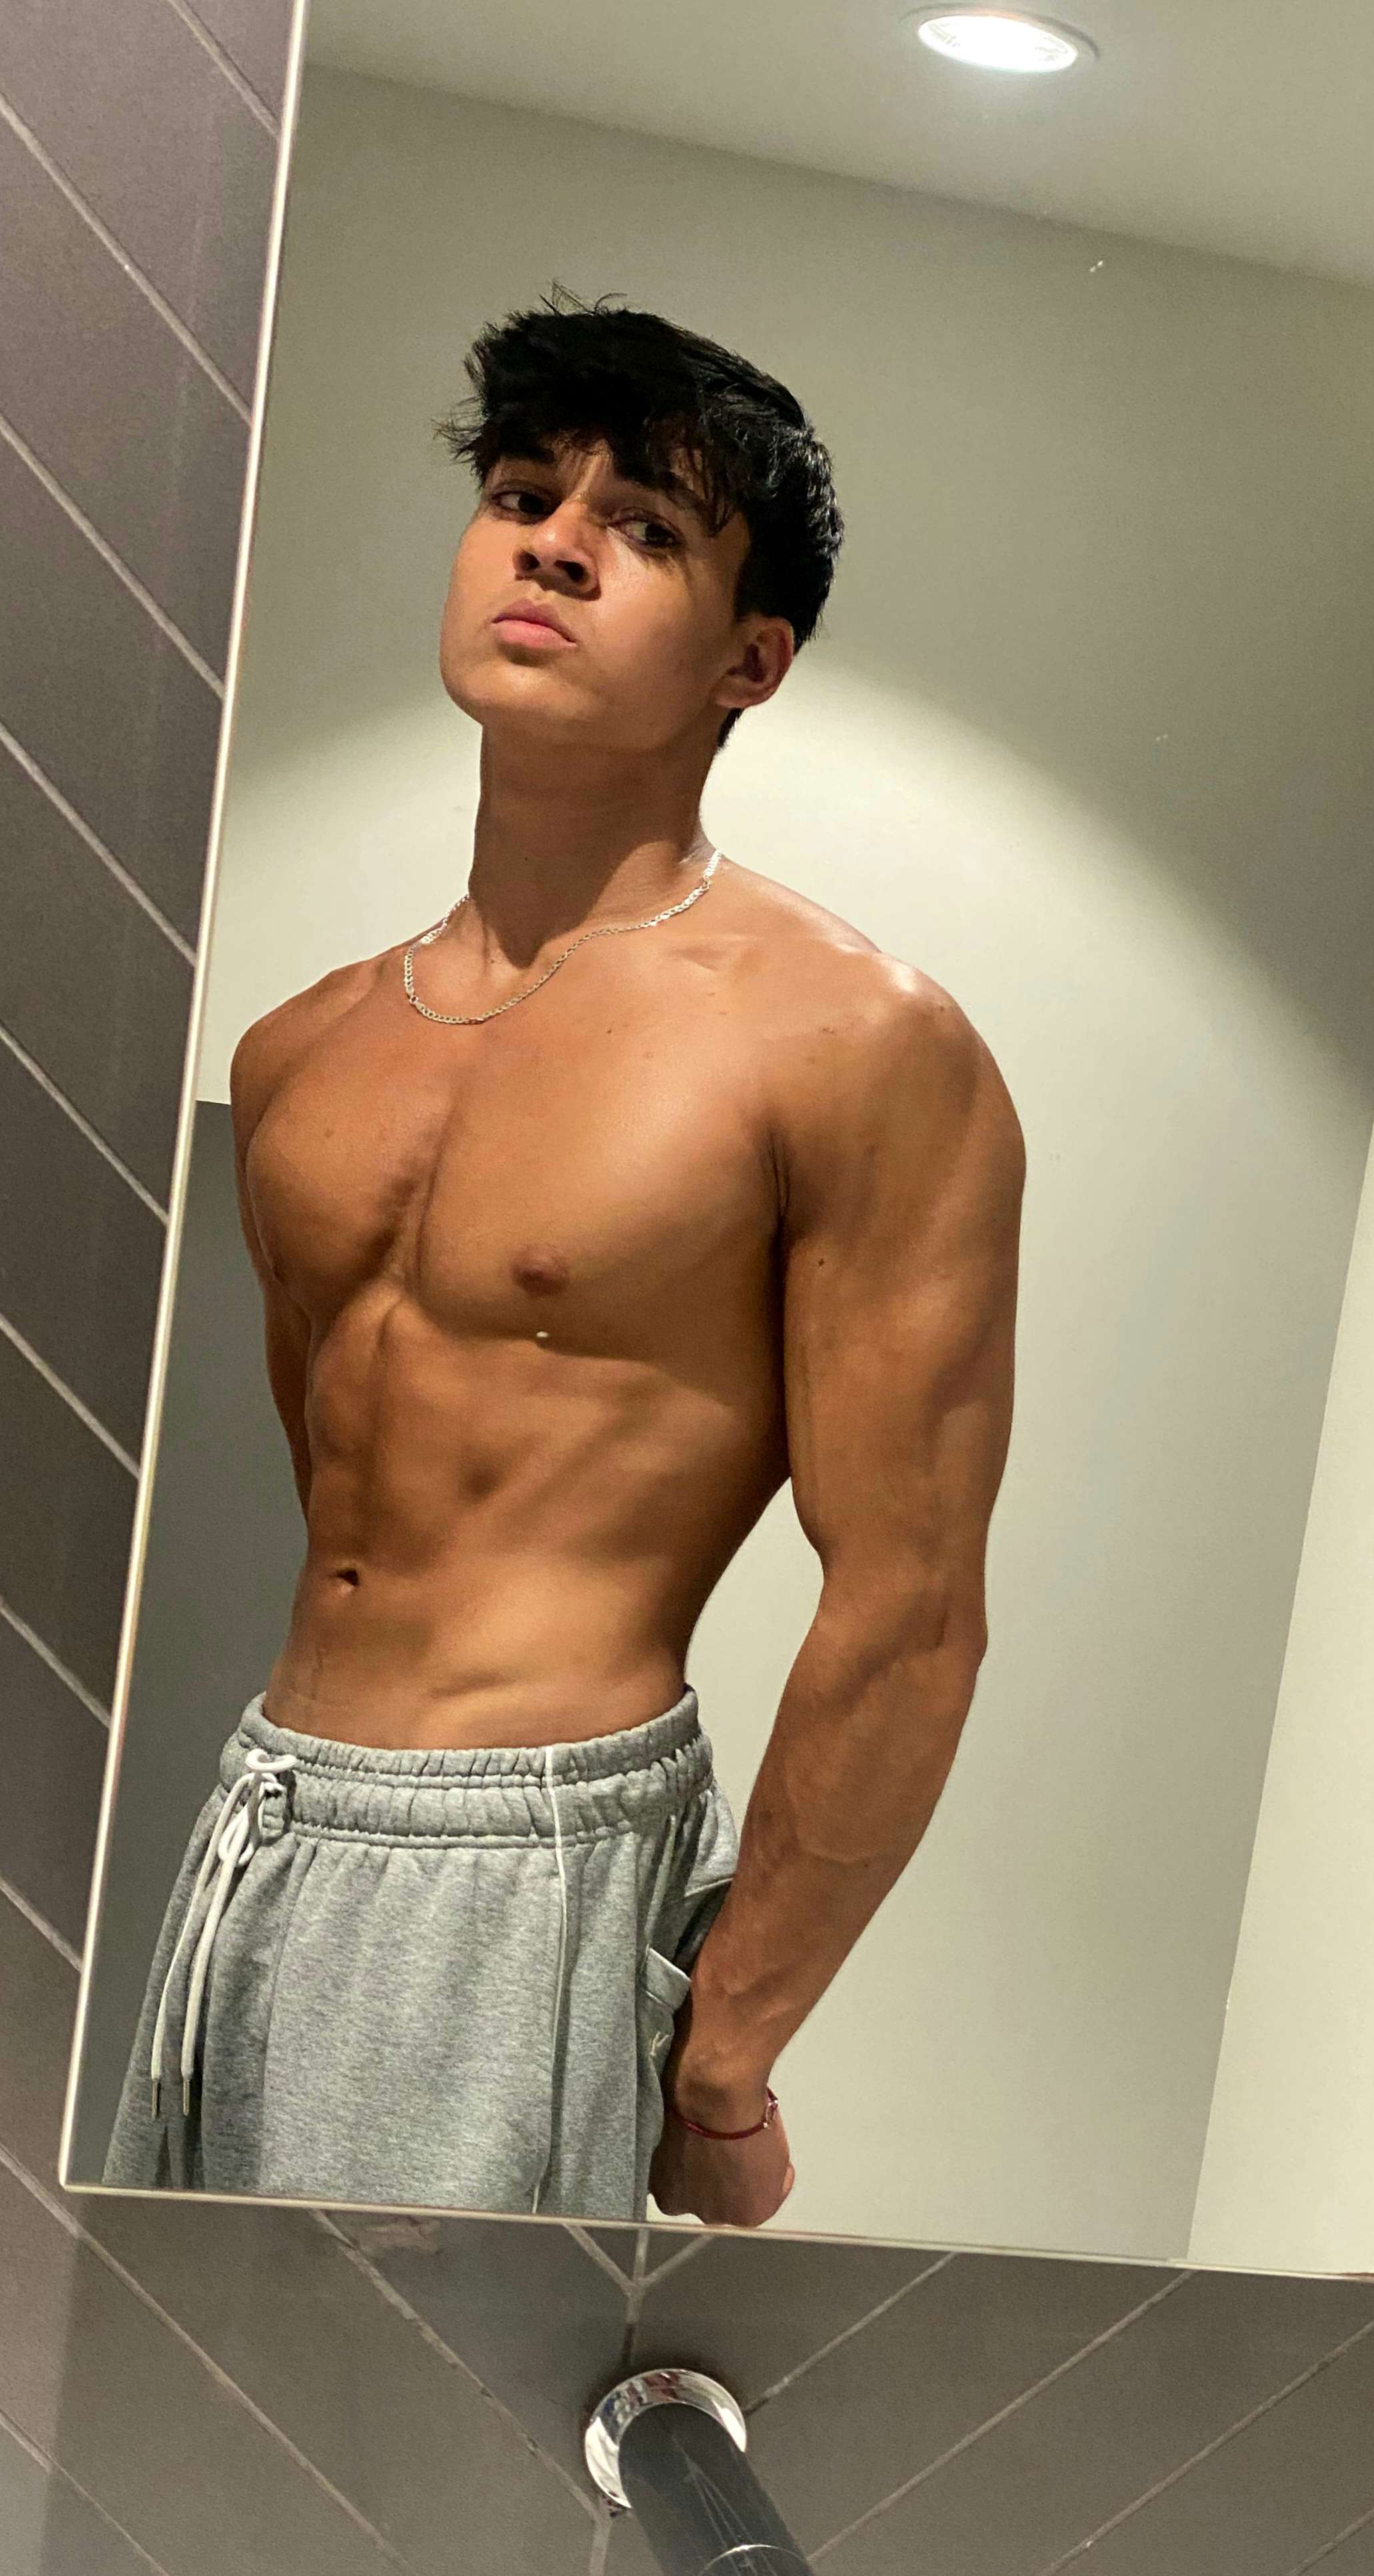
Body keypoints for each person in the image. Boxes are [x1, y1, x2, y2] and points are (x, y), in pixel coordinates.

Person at [105, 296, 1025, 2227]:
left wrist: (728, 2046)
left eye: (647, 529)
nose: (553, 546)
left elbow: (911, 1606)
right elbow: (353, 1496)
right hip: (260, 1807)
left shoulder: (847, 1043)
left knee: (392, 2424)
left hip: (528, 1845)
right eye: (524, 496)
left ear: (751, 660)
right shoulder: (301, 1050)